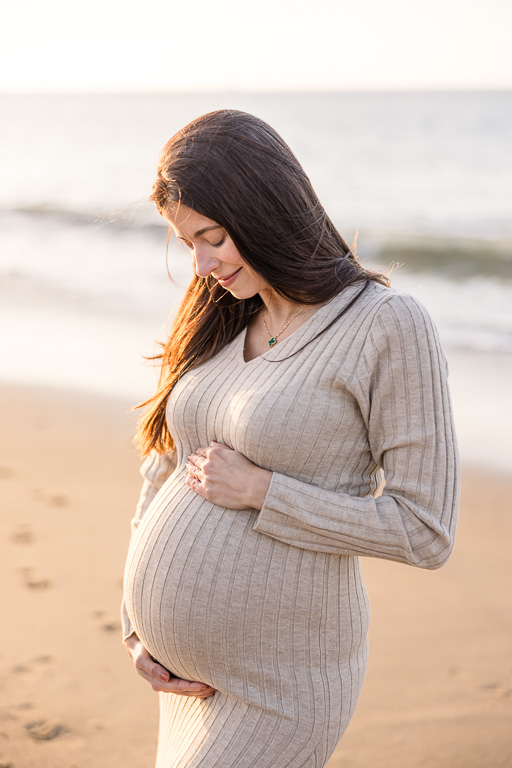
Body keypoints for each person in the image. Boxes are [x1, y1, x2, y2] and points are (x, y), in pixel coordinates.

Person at [121, 109, 459, 768]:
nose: (202, 263)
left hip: (282, 685)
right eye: (187, 242)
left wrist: (264, 492)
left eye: (213, 236)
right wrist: (136, 627)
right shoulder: (220, 319)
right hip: (183, 684)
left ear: (263, 210)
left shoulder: (385, 326)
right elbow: (162, 471)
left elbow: (425, 529)